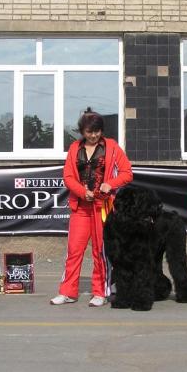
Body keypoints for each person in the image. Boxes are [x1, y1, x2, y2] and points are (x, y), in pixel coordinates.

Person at [50, 108, 133, 307]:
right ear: (82, 131)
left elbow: (127, 172)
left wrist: (110, 184)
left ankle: (100, 292)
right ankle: (67, 292)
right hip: (80, 208)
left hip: (102, 207)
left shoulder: (112, 146)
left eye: (97, 131)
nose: (94, 135)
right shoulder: (73, 148)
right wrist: (81, 191)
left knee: (100, 251)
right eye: (89, 131)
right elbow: (68, 177)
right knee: (74, 250)